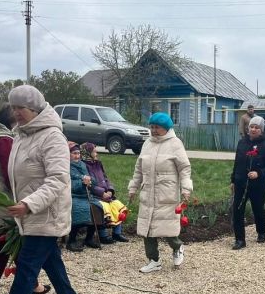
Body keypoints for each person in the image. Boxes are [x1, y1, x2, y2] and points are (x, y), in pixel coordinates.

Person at [0, 85, 83, 294]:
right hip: (30, 212)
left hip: (46, 213)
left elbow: (57, 179)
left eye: (20, 107)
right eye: (13, 107)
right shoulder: (22, 133)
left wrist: (28, 204)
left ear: (34, 108)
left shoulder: (52, 137)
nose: (15, 112)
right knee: (51, 262)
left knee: (27, 266)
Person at [0, 103, 50, 294]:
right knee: (3, 246)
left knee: (15, 244)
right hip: (4, 201)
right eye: (16, 115)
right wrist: (25, 197)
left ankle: (31, 284)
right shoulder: (3, 140)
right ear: (10, 120)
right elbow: (12, 173)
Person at [128, 112, 192, 273]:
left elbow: (184, 168)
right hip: (148, 192)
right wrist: (133, 188)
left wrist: (186, 189)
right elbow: (138, 169)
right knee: (147, 229)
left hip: (166, 194)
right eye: (151, 127)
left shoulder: (175, 144)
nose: (153, 130)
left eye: (157, 127)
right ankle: (154, 260)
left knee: (167, 228)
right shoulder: (147, 144)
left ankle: (177, 247)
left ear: (166, 128)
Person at [230, 116, 265, 249]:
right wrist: (233, 180)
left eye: (257, 127)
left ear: (261, 130)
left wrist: (259, 173)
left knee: (258, 209)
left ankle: (261, 232)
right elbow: (237, 162)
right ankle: (240, 239)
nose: (254, 129)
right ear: (248, 128)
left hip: (258, 185)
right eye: (252, 127)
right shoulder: (242, 143)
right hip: (241, 182)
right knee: (237, 210)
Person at [81, 142, 129, 243]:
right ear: (88, 152)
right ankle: (103, 236)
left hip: (106, 193)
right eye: (94, 151)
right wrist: (102, 193)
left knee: (117, 206)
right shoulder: (84, 165)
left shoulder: (98, 163)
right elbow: (90, 184)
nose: (96, 153)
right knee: (103, 208)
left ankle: (117, 233)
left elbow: (105, 178)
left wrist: (110, 190)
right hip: (94, 195)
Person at [66, 141, 98, 252]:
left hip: (86, 195)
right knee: (79, 210)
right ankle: (71, 241)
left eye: (78, 153)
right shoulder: (65, 166)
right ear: (68, 154)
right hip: (73, 195)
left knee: (97, 207)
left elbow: (92, 178)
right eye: (74, 153)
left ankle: (89, 238)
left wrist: (90, 182)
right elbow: (68, 184)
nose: (77, 156)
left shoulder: (83, 165)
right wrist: (82, 183)